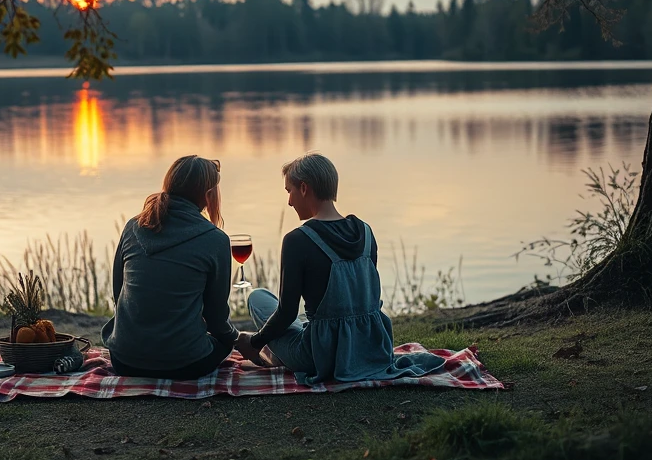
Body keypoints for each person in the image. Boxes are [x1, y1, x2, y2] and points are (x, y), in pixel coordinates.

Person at [235, 152, 445, 384]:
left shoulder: (297, 240)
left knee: (257, 298)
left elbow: (287, 314)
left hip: (320, 357)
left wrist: (254, 342)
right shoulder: (366, 232)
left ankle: (272, 355)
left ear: (304, 188)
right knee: (295, 315)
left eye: (289, 191)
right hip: (371, 349)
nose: (289, 202)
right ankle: (278, 354)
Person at [101, 155, 242, 379]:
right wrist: (237, 338)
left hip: (124, 360)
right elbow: (216, 319)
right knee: (224, 341)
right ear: (208, 194)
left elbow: (118, 293)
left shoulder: (133, 227)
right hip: (185, 365)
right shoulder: (216, 240)